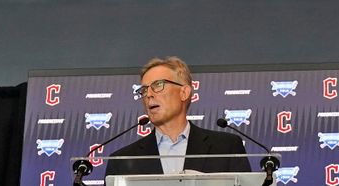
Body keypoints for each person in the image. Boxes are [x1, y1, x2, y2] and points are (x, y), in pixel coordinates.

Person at [104, 56, 251, 180]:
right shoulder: (123, 161)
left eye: (158, 85)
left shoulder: (226, 148)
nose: (148, 95)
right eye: (144, 90)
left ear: (184, 93)